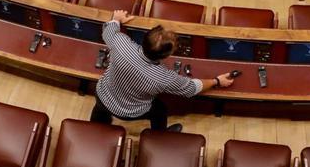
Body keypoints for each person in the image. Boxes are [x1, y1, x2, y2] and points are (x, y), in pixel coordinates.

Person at [90, 9, 236, 132]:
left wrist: (116, 19)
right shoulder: (163, 77)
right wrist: (217, 81)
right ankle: (159, 135)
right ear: (166, 55)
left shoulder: (121, 44)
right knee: (159, 110)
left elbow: (108, 31)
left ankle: (95, 128)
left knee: (100, 107)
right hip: (131, 112)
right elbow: (191, 88)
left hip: (103, 94)